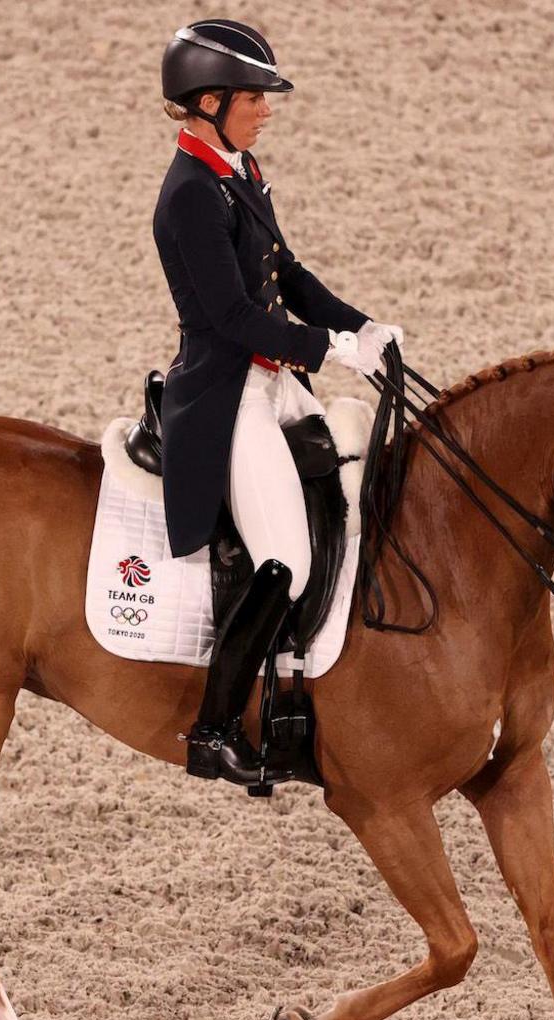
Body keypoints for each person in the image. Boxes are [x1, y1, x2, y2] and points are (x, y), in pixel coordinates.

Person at [152, 19, 403, 789]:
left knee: (349, 476)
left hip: (272, 379)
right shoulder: (191, 194)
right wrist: (328, 352)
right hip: (228, 395)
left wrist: (358, 323)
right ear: (209, 100)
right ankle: (215, 725)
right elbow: (231, 319)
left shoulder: (238, 169)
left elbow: (287, 274)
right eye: (254, 97)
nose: (266, 108)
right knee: (284, 558)